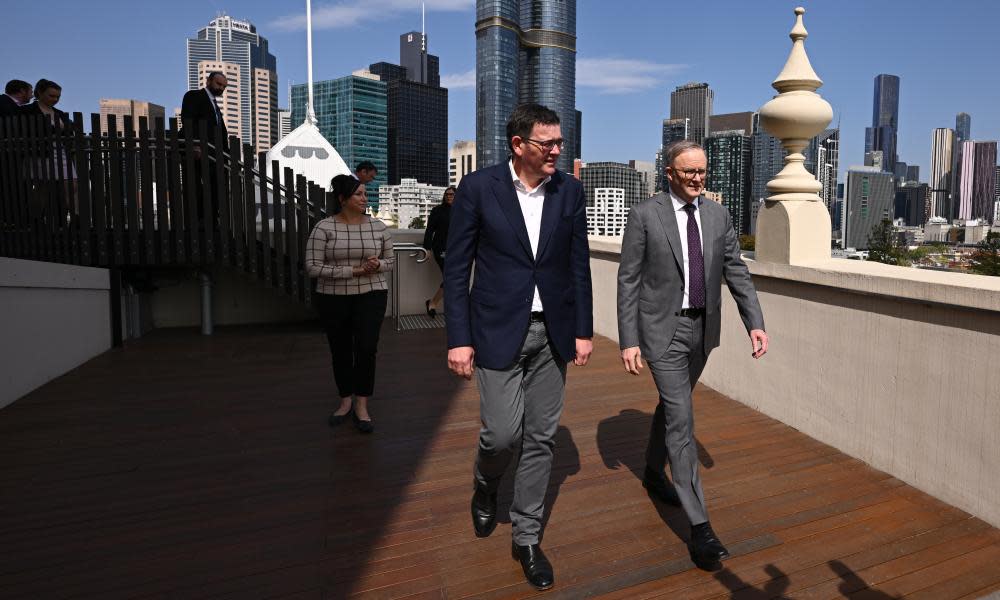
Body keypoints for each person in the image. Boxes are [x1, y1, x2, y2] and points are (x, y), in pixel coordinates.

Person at [444, 103, 593, 591]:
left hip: (552, 333)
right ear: (518, 145)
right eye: (547, 143)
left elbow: (578, 265)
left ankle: (526, 536)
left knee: (541, 439)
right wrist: (459, 339)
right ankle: (485, 485)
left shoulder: (570, 191)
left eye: (559, 142)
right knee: (503, 434)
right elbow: (456, 266)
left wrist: (583, 330)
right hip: (494, 329)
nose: (556, 151)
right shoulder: (478, 188)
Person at [616, 140, 768, 570]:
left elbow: (736, 270)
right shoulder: (646, 215)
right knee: (682, 418)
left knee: (671, 405)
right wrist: (629, 339)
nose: (698, 179)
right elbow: (628, 280)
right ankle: (700, 527)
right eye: (689, 173)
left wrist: (754, 322)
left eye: (702, 171)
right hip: (662, 331)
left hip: (703, 330)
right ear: (670, 173)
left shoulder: (718, 215)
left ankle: (650, 470)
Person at [306, 174, 395, 434]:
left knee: (367, 348)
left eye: (365, 194)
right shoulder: (324, 228)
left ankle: (362, 404)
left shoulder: (378, 227)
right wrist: (353, 271)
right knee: (341, 349)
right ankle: (345, 401)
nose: (364, 199)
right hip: (333, 297)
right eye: (358, 194)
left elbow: (391, 261)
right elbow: (312, 267)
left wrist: (378, 264)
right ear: (342, 198)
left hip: (372, 294)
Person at [422, 186, 456, 317]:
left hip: (457, 250)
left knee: (454, 279)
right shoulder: (438, 210)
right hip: (441, 249)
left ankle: (433, 303)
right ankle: (433, 303)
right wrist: (427, 248)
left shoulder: (462, 210)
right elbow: (430, 229)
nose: (449, 196)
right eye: (447, 194)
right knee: (451, 278)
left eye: (452, 194)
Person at [180, 71, 228, 138]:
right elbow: (188, 120)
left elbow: (221, 131)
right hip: (198, 145)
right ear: (208, 81)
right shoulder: (193, 95)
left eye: (224, 87)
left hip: (214, 147)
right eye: (219, 84)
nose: (222, 88)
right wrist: (195, 143)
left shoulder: (216, 107)